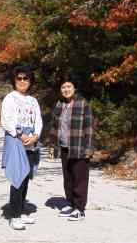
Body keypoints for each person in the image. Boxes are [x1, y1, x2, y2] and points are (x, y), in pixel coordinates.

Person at [1, 66, 43, 230]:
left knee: (26, 177)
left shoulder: (33, 101)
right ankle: (14, 215)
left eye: (26, 78)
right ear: (14, 80)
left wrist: (36, 136)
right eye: (19, 78)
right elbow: (6, 120)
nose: (23, 81)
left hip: (31, 143)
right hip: (16, 141)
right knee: (17, 178)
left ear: (30, 81)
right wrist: (20, 135)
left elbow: (38, 121)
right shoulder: (10, 98)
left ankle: (21, 210)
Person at [48, 75, 94, 221]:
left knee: (79, 178)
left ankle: (80, 208)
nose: (66, 89)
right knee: (68, 177)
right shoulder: (59, 104)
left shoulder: (82, 103)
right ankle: (70, 203)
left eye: (69, 86)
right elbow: (54, 127)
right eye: (63, 87)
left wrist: (89, 149)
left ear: (74, 88)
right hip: (64, 147)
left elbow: (89, 127)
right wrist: (52, 146)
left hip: (79, 146)